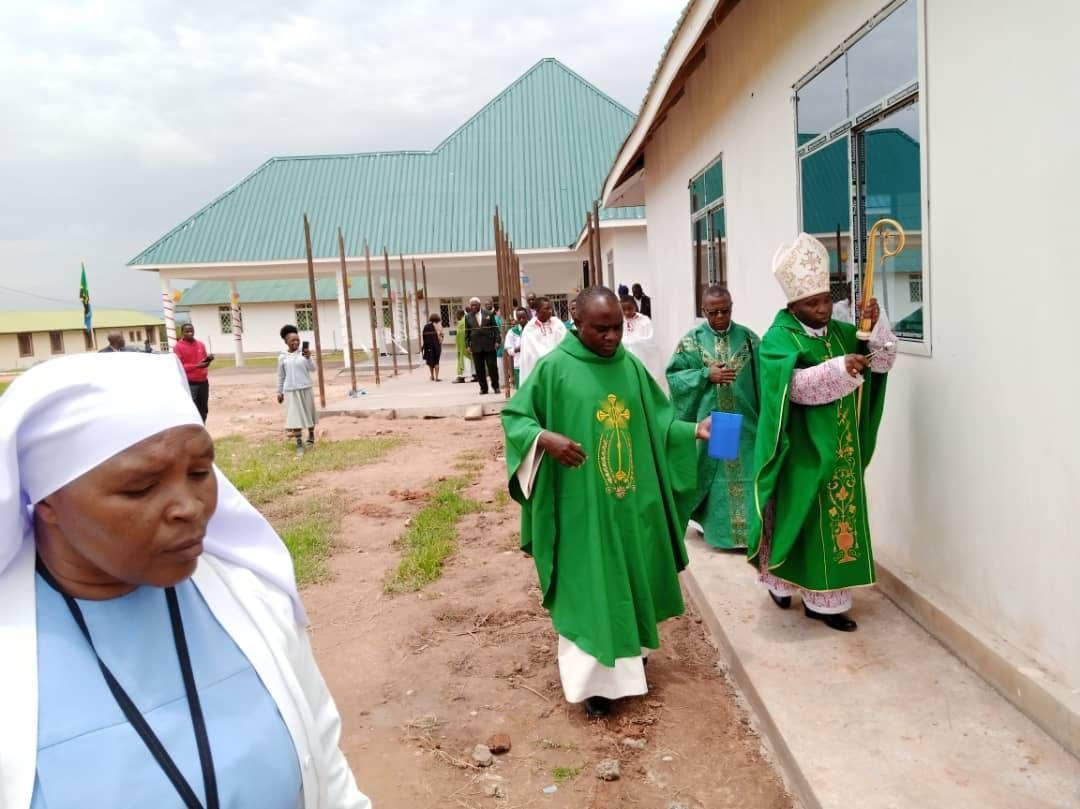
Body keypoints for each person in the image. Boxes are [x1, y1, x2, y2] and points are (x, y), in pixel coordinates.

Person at [0, 352, 371, 809]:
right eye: (140, 488)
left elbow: (330, 776)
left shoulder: (254, 599)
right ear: (47, 501)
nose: (190, 507)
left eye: (199, 473)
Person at [501, 287, 711, 717]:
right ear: (576, 321)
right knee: (590, 584)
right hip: (580, 506)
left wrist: (693, 431)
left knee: (630, 577)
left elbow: (658, 420)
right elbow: (517, 418)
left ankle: (630, 665)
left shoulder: (629, 366)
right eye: (602, 329)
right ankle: (593, 685)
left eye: (617, 327)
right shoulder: (555, 369)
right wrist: (545, 439)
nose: (613, 336)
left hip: (630, 500)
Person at [750, 233, 897, 632]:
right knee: (800, 518)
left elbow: (881, 361)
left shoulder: (840, 332)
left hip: (841, 451)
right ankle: (781, 583)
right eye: (811, 303)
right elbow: (790, 388)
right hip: (800, 449)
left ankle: (825, 603)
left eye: (826, 300)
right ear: (792, 304)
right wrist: (838, 369)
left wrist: (874, 321)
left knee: (833, 524)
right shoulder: (777, 338)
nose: (821, 309)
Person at [666, 286, 760, 549]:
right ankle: (721, 535)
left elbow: (765, 377)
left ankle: (748, 536)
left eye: (725, 310)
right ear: (703, 311)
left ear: (732, 306)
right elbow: (674, 378)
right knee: (716, 479)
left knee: (747, 473)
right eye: (713, 311)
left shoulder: (750, 339)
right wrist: (705, 375)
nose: (720, 316)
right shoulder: (691, 341)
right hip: (714, 422)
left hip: (746, 421)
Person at [277, 324, 318, 456]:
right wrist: (279, 391)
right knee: (295, 418)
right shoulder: (282, 357)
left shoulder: (304, 354)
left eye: (297, 340)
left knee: (309, 414)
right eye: (292, 340)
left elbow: (313, 369)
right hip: (290, 391)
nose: (295, 342)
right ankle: (299, 443)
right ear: (286, 342)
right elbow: (281, 375)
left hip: (305, 388)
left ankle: (311, 436)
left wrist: (308, 357)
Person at [518, 297, 566, 385]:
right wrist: (549, 359)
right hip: (540, 369)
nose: (550, 311)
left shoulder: (557, 323)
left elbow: (565, 341)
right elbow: (532, 352)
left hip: (558, 365)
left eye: (550, 308)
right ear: (538, 310)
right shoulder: (530, 329)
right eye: (547, 309)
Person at [173, 323, 214, 423]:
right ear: (182, 333)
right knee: (193, 409)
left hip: (203, 382)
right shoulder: (178, 347)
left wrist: (208, 361)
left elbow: (204, 363)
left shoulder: (201, 344)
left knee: (203, 409)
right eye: (187, 331)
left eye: (191, 330)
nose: (190, 333)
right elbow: (180, 367)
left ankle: (202, 427)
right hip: (190, 384)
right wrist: (197, 366)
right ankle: (195, 428)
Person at [619, 296, 663, 381]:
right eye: (624, 310)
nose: (627, 312)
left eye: (629, 309)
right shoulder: (619, 321)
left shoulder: (644, 321)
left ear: (635, 307)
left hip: (642, 356)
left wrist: (635, 343)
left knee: (642, 378)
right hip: (625, 357)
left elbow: (650, 338)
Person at [463, 297, 500, 395]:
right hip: (476, 346)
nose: (473, 307)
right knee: (479, 369)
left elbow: (495, 329)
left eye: (475, 305)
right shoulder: (468, 317)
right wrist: (467, 345)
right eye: (472, 305)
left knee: (492, 367)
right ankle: (483, 388)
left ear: (479, 305)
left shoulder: (488, 314)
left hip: (489, 345)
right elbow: (466, 332)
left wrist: (497, 341)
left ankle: (496, 387)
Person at [503, 307, 530, 389]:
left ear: (527, 317)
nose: (521, 320)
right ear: (516, 319)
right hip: (519, 365)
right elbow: (509, 351)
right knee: (521, 389)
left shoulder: (533, 329)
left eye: (523, 318)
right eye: (519, 318)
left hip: (532, 364)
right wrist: (517, 349)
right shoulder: (512, 332)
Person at [421, 313, 444, 382]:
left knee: (430, 361)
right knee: (436, 361)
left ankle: (432, 376)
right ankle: (437, 377)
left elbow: (424, 336)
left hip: (429, 347)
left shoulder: (427, 326)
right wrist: (440, 342)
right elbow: (442, 336)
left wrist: (424, 346)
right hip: (437, 346)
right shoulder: (439, 326)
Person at [453, 308, 470, 383]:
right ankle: (475, 376)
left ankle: (461, 377)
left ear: (460, 314)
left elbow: (460, 335)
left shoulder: (461, 323)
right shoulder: (466, 320)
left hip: (463, 345)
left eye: (456, 315)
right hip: (466, 345)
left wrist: (458, 344)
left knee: (463, 361)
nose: (456, 317)